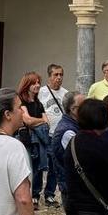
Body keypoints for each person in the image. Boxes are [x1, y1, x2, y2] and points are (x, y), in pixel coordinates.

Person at [16, 72, 51, 210]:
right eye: (34, 83)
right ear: (27, 85)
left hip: (39, 140)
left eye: (38, 82)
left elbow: (47, 123)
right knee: (28, 167)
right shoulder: (21, 101)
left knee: (38, 168)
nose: (37, 85)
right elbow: (27, 120)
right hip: (27, 140)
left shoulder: (38, 103)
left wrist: (38, 122)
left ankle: (35, 195)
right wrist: (40, 121)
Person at [39, 64, 69, 204]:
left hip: (60, 134)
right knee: (41, 164)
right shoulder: (41, 92)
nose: (59, 78)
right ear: (49, 76)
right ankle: (35, 194)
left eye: (61, 74)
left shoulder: (65, 94)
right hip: (46, 134)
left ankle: (50, 193)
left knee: (56, 165)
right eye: (55, 75)